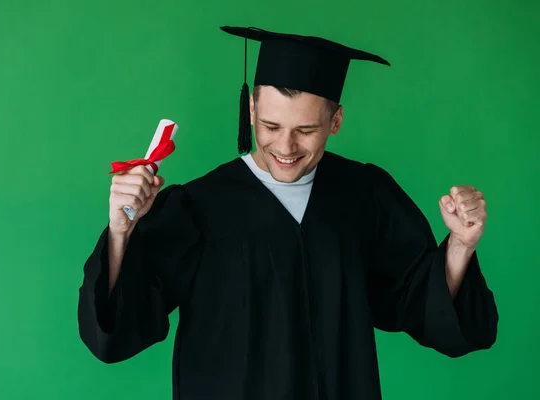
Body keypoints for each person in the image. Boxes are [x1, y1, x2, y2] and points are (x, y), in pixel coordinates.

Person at [77, 26, 498, 400]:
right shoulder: (199, 206)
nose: (286, 147)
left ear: (335, 121)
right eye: (272, 126)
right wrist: (120, 233)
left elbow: (416, 301)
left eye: (307, 130)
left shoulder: (364, 195)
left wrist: (460, 246)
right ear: (252, 111)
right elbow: (118, 330)